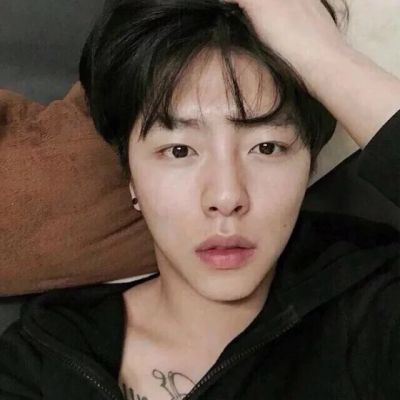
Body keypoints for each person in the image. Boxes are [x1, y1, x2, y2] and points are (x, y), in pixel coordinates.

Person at [0, 0, 399, 399]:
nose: (226, 197)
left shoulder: (372, 309)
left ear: (308, 163)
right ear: (131, 177)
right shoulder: (40, 358)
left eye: (267, 147)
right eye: (179, 151)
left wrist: (326, 59)